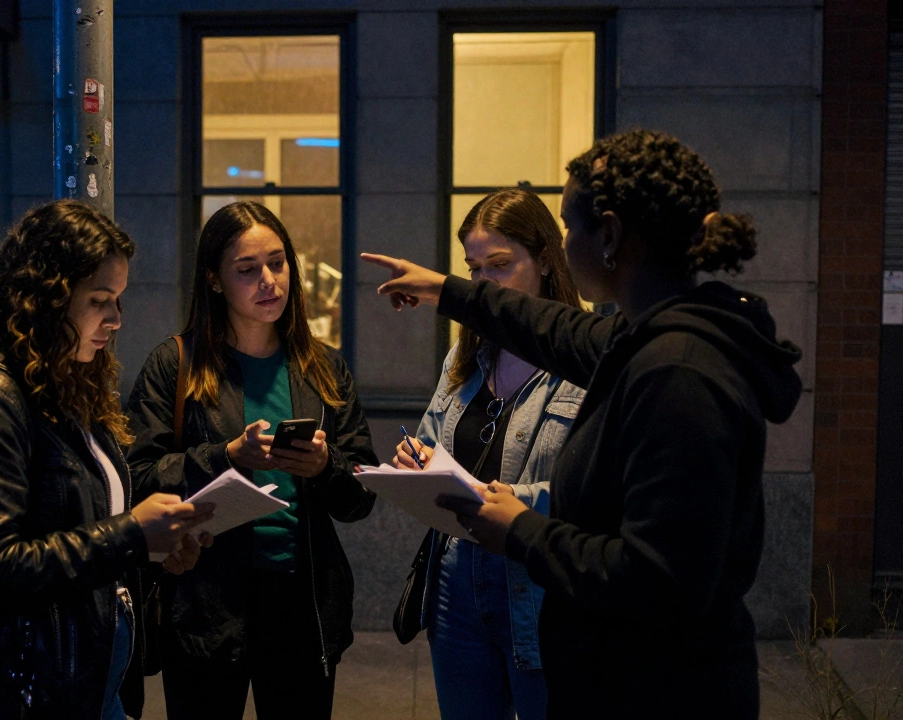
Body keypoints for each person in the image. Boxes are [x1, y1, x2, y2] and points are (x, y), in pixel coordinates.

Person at [362, 129, 803, 719]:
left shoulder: (680, 374)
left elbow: (659, 580)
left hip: (662, 690)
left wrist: (522, 529)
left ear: (612, 235)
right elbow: (557, 331)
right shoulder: (644, 337)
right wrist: (447, 290)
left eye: (569, 227)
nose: (565, 244)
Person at [0, 200, 214, 720]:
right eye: (100, 300)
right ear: (46, 299)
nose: (116, 320)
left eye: (118, 300)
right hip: (22, 688)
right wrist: (131, 535)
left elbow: (74, 529)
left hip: (85, 678)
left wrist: (153, 549)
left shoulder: (67, 386)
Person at [126, 200, 378, 720]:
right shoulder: (176, 364)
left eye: (278, 263)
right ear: (215, 281)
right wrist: (225, 457)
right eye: (247, 270)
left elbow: (360, 497)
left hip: (302, 604)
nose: (269, 281)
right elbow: (137, 477)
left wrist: (324, 468)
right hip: (205, 601)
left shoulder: (323, 367)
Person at [393, 189, 585, 720]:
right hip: (456, 578)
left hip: (538, 584)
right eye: (474, 269)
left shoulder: (583, 358)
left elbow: (594, 491)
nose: (484, 284)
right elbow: (433, 436)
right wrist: (416, 459)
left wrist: (514, 503)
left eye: (499, 265)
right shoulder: (467, 353)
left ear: (546, 260)